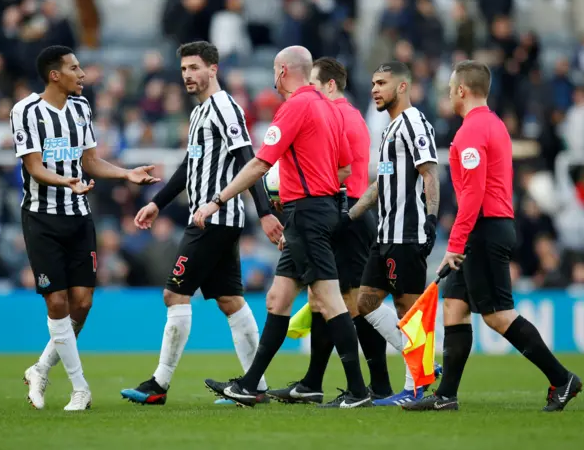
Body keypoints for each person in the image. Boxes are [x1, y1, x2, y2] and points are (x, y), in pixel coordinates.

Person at [198, 45, 372, 408]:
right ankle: (249, 384)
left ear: (281, 71)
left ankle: (358, 390)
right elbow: (344, 169)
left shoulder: (295, 107)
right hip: (316, 210)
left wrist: (217, 199)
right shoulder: (329, 108)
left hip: (306, 215)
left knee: (330, 300)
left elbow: (260, 165)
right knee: (278, 300)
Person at [404, 60, 583, 412]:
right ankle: (446, 396)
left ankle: (563, 380)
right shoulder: (494, 124)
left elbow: (472, 195)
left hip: (484, 229)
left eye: (450, 88)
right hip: (486, 226)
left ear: (461, 91)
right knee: (454, 308)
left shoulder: (472, 131)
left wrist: (455, 245)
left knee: (497, 315)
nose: (448, 94)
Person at [119, 41, 283, 406]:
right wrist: (157, 204)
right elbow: (188, 169)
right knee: (231, 301)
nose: (188, 76)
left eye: (194, 68)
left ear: (213, 69)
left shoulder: (226, 108)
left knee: (174, 294)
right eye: (183, 70)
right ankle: (255, 386)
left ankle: (158, 385)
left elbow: (249, 160)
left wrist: (266, 210)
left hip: (215, 219)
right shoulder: (198, 114)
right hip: (213, 219)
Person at [15, 45, 160, 411]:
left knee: (83, 302)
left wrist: (125, 172)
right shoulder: (27, 111)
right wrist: (66, 182)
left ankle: (41, 368)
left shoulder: (81, 109)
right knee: (58, 301)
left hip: (78, 215)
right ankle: (81, 388)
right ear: (55, 75)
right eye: (75, 68)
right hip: (41, 217)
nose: (83, 74)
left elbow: (91, 161)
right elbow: (33, 166)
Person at [266, 57, 399, 404]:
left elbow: (339, 172)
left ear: (329, 85)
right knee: (324, 300)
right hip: (343, 212)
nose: (307, 89)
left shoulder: (334, 113)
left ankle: (386, 381)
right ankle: (313, 381)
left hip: (347, 214)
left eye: (313, 82)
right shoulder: (348, 114)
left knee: (354, 305)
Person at [338, 61, 442, 406]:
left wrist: (430, 220)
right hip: (383, 236)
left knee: (407, 312)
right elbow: (380, 186)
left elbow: (429, 174)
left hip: (407, 234)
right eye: (372, 83)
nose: (374, 89)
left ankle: (415, 387)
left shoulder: (414, 123)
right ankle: (425, 363)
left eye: (381, 83)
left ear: (402, 87)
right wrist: (348, 216)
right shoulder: (389, 129)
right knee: (365, 303)